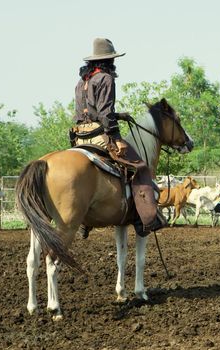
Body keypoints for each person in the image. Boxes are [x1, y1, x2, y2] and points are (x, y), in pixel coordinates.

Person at [72, 38, 164, 237]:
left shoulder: (83, 81)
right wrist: (117, 137)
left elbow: (87, 111)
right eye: (113, 59)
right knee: (139, 166)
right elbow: (104, 113)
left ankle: (83, 221)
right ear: (108, 60)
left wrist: (119, 115)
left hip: (79, 136)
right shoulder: (105, 78)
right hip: (99, 135)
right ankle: (145, 218)